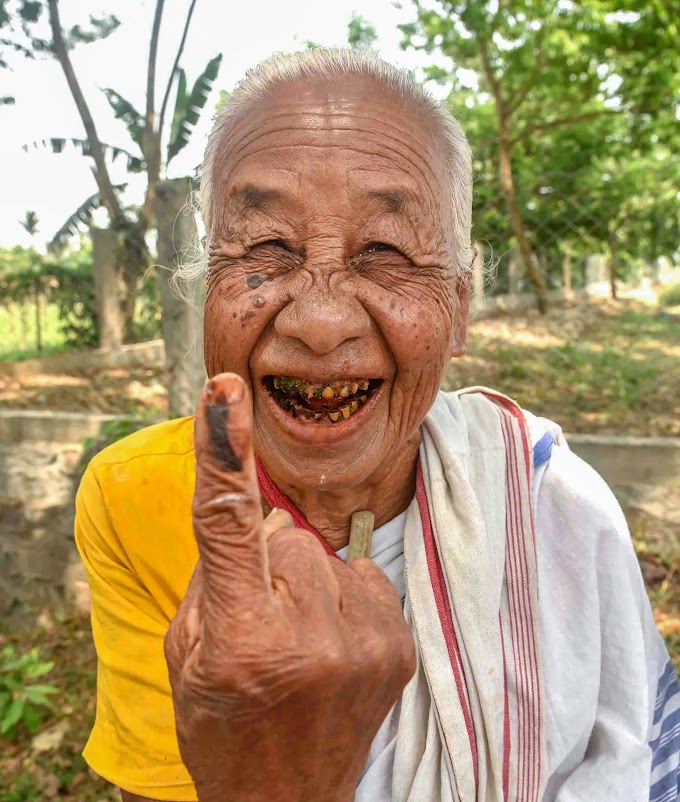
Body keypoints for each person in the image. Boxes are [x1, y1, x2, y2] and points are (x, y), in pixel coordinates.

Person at [74, 49, 679, 802]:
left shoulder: (553, 503)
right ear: (205, 292)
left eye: (385, 254)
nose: (321, 323)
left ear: (458, 309)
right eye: (265, 248)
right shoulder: (135, 494)